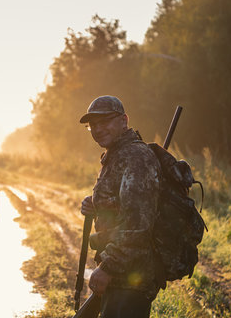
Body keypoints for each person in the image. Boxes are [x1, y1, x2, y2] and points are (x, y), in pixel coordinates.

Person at [79, 95, 162, 318]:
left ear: (124, 120)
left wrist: (108, 267)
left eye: (104, 121)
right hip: (121, 274)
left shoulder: (136, 157)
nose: (97, 129)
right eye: (92, 125)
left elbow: (138, 226)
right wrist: (97, 205)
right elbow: (124, 204)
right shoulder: (116, 154)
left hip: (130, 278)